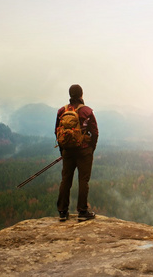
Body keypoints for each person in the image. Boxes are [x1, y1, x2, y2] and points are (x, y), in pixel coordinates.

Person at [55, 84, 99, 221]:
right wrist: (91, 148)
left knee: (66, 180)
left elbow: (57, 131)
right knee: (83, 180)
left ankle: (62, 211)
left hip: (68, 151)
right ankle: (82, 211)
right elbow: (95, 132)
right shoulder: (87, 111)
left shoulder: (62, 111)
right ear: (81, 95)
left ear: (70, 95)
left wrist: (63, 150)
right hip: (84, 151)